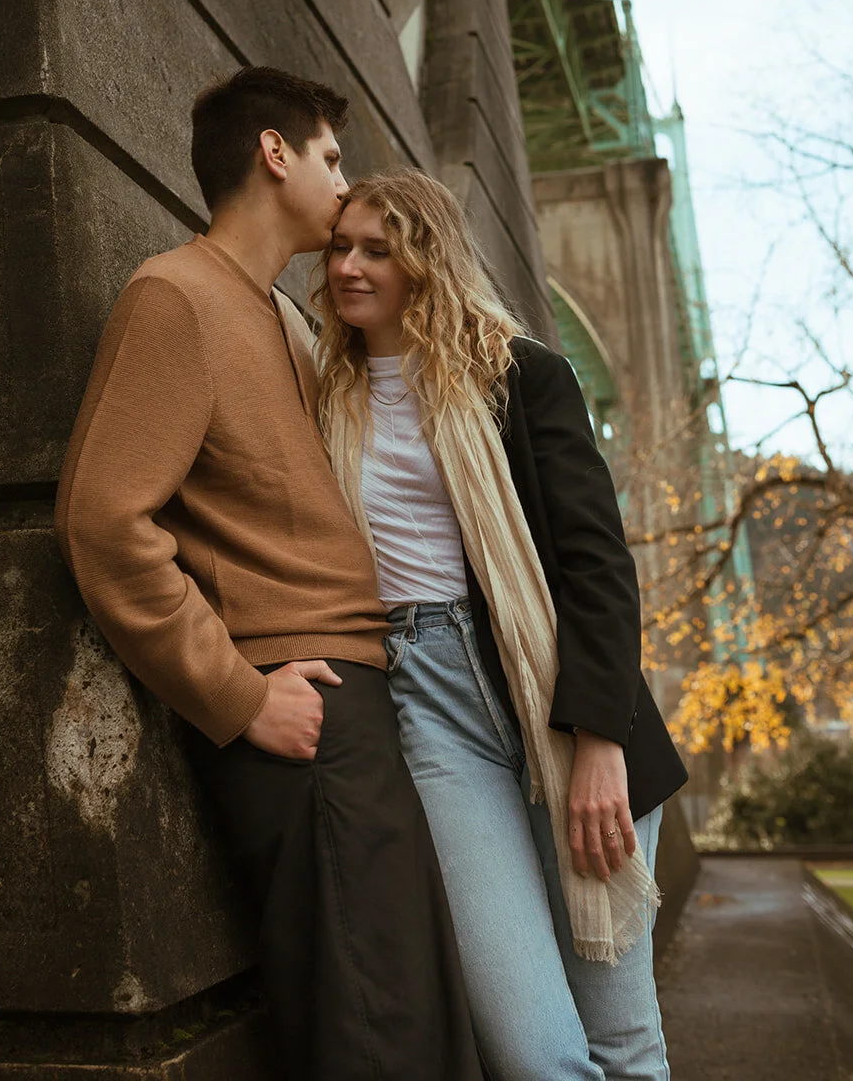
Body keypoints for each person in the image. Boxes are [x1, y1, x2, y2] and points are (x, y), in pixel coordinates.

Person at [55, 71, 483, 1081]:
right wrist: (237, 696)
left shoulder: (290, 321)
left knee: (414, 1020)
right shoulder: (175, 297)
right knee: (369, 1033)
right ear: (274, 153)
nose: (344, 182)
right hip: (304, 709)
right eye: (332, 156)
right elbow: (102, 518)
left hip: (364, 701)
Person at [315, 167, 689, 1081]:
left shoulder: (524, 376)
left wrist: (599, 739)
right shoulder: (327, 392)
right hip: (428, 706)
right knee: (527, 1049)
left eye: (377, 249)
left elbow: (597, 565)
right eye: (338, 247)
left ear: (425, 259)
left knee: (620, 1034)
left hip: (559, 701)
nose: (349, 267)